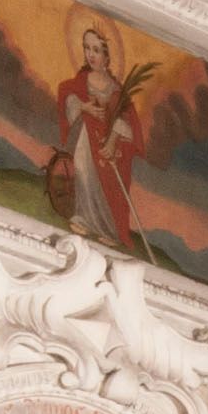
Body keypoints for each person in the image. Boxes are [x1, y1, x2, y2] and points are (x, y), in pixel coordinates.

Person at [57, 27, 144, 251]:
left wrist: (113, 140)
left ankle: (109, 230)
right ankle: (83, 218)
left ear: (107, 56)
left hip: (109, 146)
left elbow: (127, 122)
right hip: (86, 137)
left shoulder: (116, 90)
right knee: (83, 170)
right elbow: (69, 96)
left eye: (96, 50)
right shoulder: (82, 80)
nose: (90, 54)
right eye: (87, 48)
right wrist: (83, 106)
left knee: (110, 185)